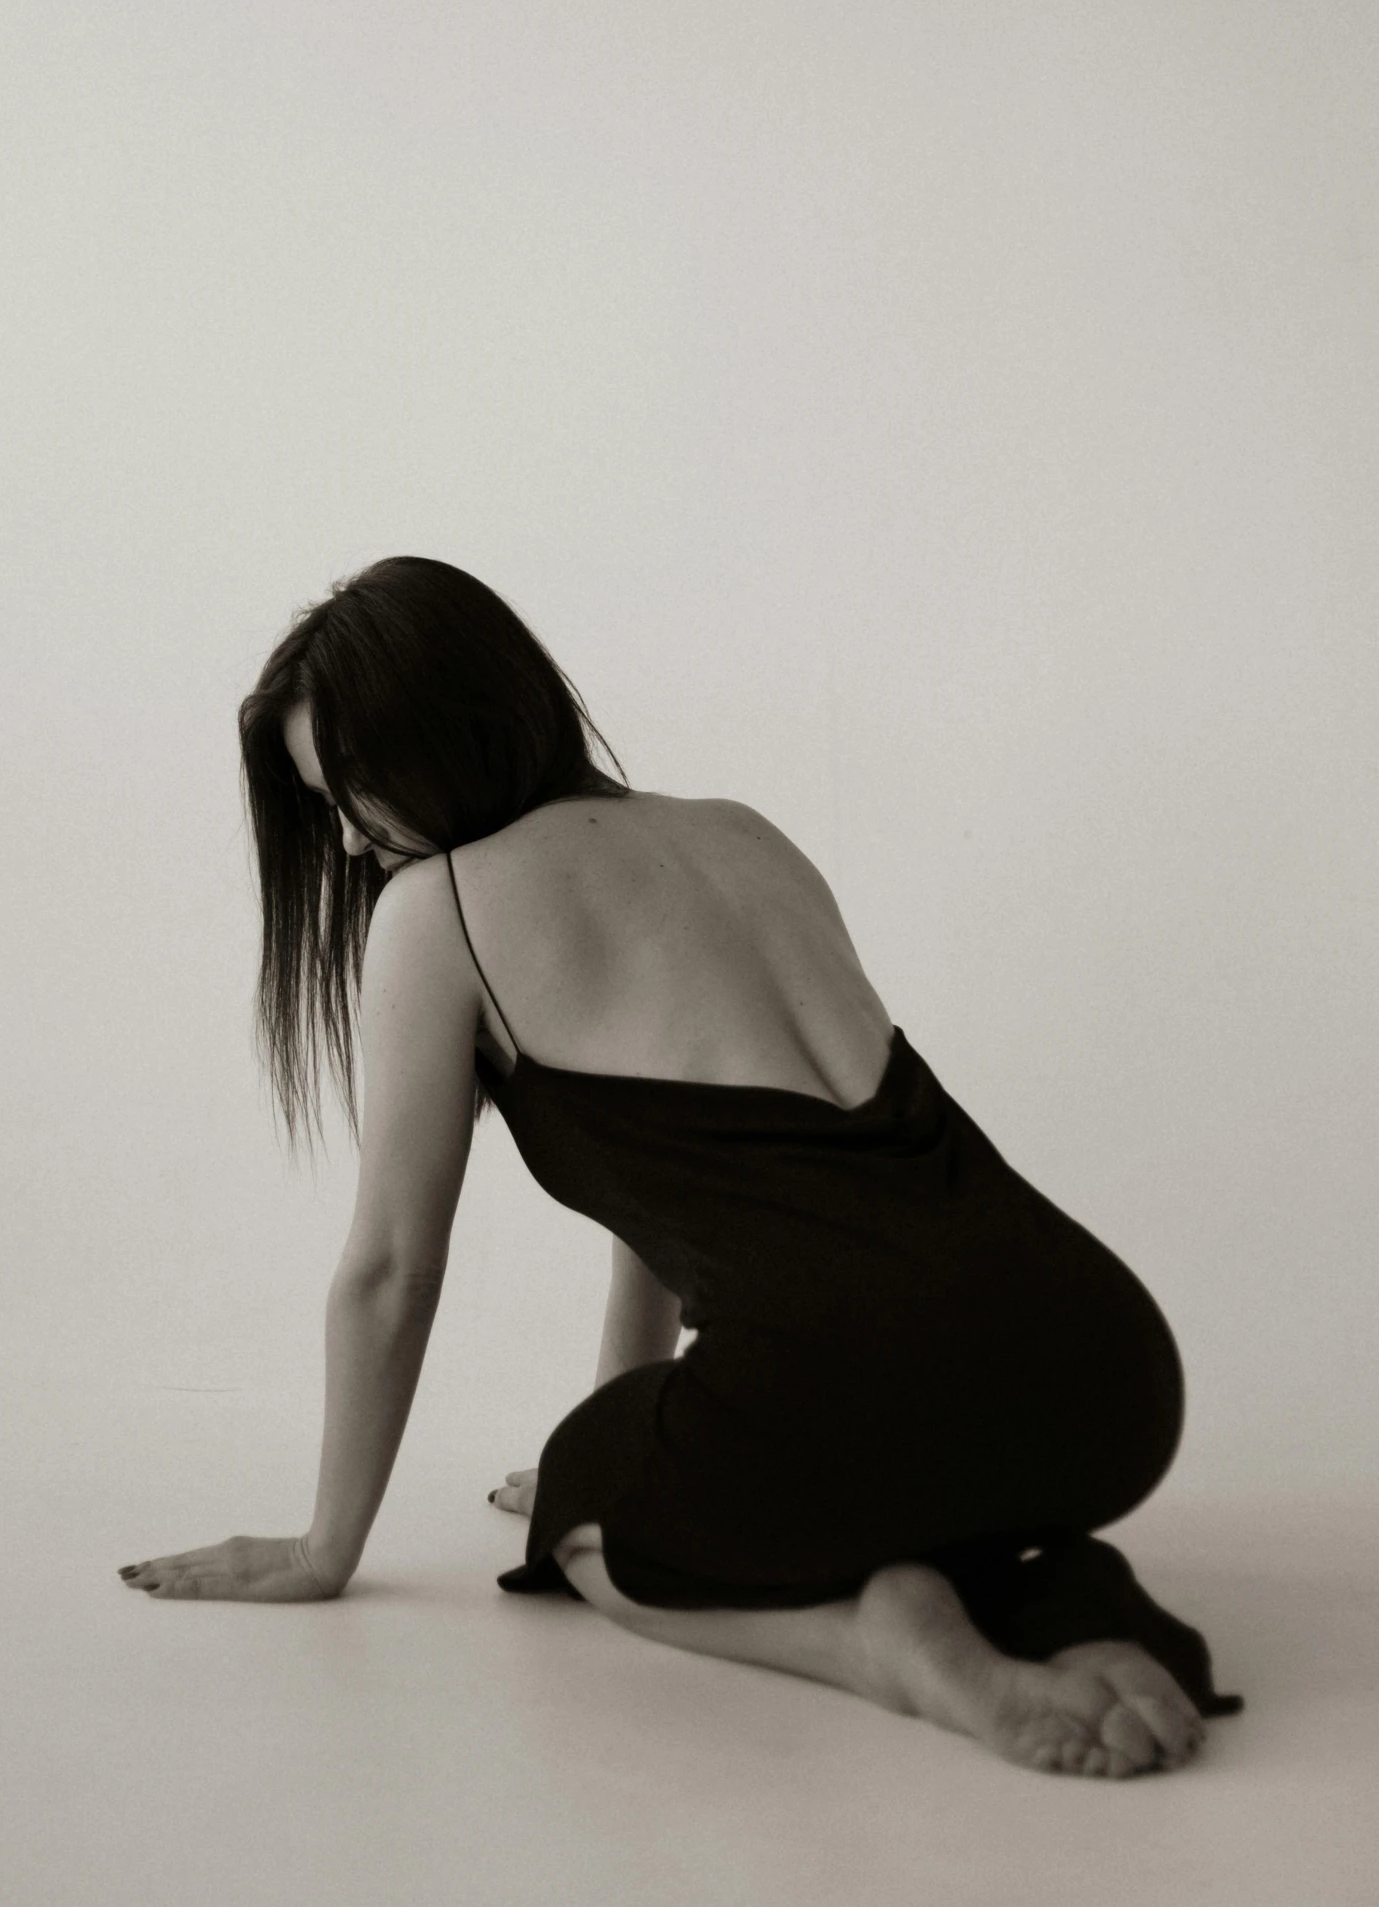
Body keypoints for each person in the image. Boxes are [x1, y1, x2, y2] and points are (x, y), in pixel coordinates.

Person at [120, 555, 1241, 1777]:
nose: (343, 840)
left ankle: (879, 1643)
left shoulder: (440, 910)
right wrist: (633, 1423)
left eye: (350, 793)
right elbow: (695, 1182)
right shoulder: (740, 836)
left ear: (441, 739)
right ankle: (1067, 1608)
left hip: (867, 1381)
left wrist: (325, 1547)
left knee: (585, 1531)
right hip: (1102, 1370)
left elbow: (391, 1265)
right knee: (833, 1453)